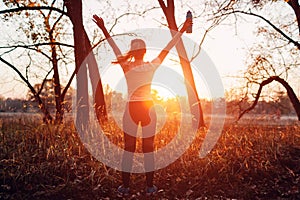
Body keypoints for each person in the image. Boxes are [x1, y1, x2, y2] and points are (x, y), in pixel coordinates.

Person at [93, 14, 192, 197]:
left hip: (131, 109)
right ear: (145, 51)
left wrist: (104, 28)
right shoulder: (152, 65)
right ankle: (150, 187)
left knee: (128, 150)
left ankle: (125, 188)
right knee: (148, 150)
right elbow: (168, 47)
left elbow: (113, 46)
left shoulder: (126, 65)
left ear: (132, 51)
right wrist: (183, 28)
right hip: (148, 108)